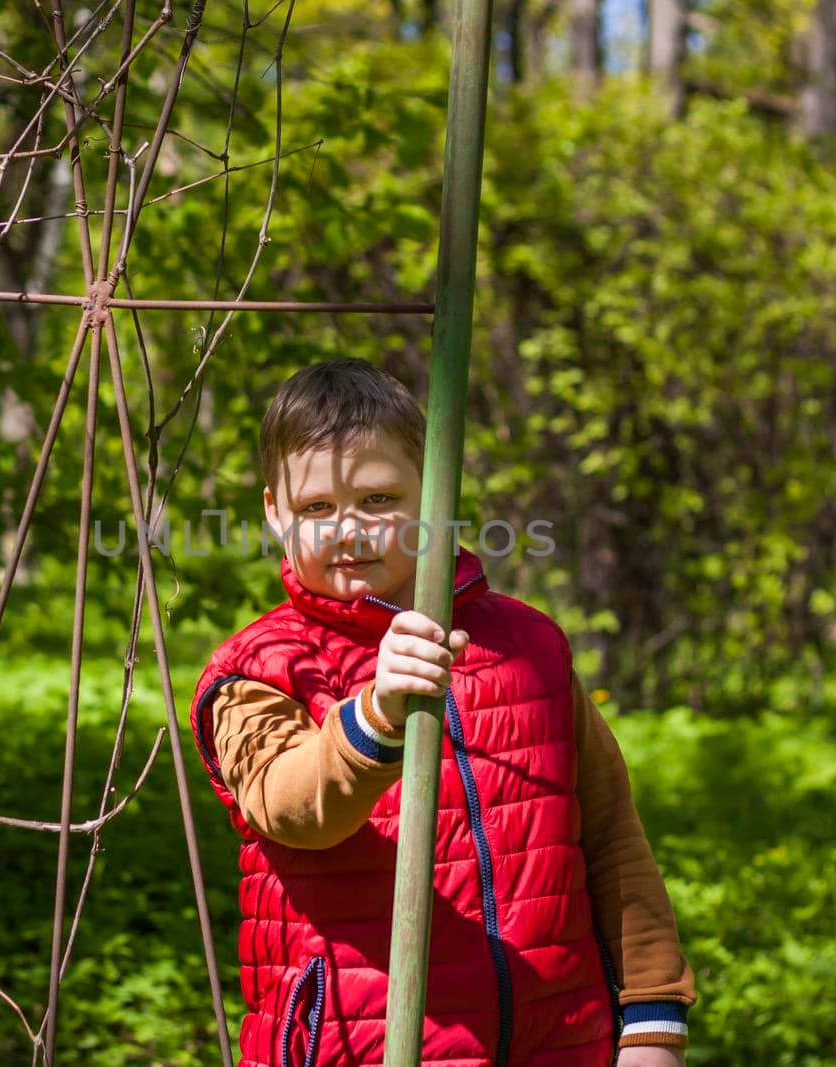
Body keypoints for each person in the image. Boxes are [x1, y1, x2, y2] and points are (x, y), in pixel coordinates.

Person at [190, 358, 695, 1067]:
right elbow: (291, 807)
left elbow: (608, 832)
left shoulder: (527, 646)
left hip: (561, 1039)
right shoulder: (257, 665)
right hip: (355, 1043)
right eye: (316, 508)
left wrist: (652, 1018)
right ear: (274, 511)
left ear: (433, 494)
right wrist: (375, 714)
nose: (349, 531)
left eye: (378, 499)